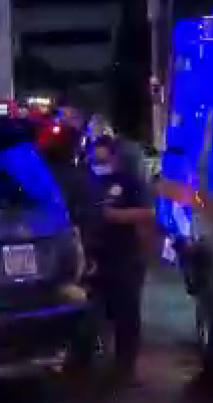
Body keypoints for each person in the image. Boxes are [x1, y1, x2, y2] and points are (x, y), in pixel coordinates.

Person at [85, 135, 157, 385]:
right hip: (98, 256)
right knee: (96, 312)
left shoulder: (134, 184)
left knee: (126, 315)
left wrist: (114, 216)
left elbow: (148, 214)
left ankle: (125, 368)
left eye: (108, 154)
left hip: (126, 258)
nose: (103, 159)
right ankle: (93, 362)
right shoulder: (95, 181)